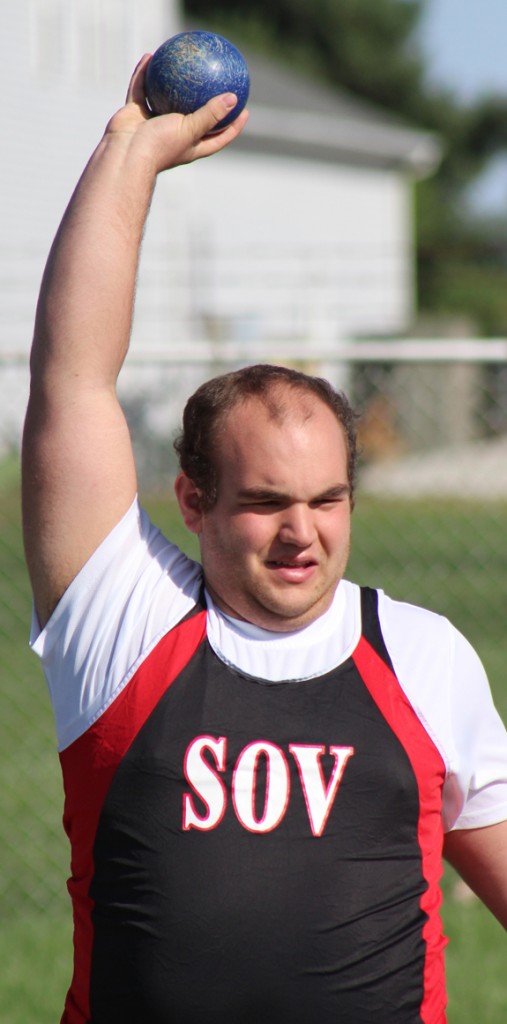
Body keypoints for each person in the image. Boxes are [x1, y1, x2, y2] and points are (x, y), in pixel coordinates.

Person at [22, 56, 507, 1024]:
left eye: (329, 498)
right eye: (266, 501)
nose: (303, 533)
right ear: (192, 499)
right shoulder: (124, 624)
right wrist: (132, 152)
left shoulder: (424, 656)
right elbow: (72, 380)